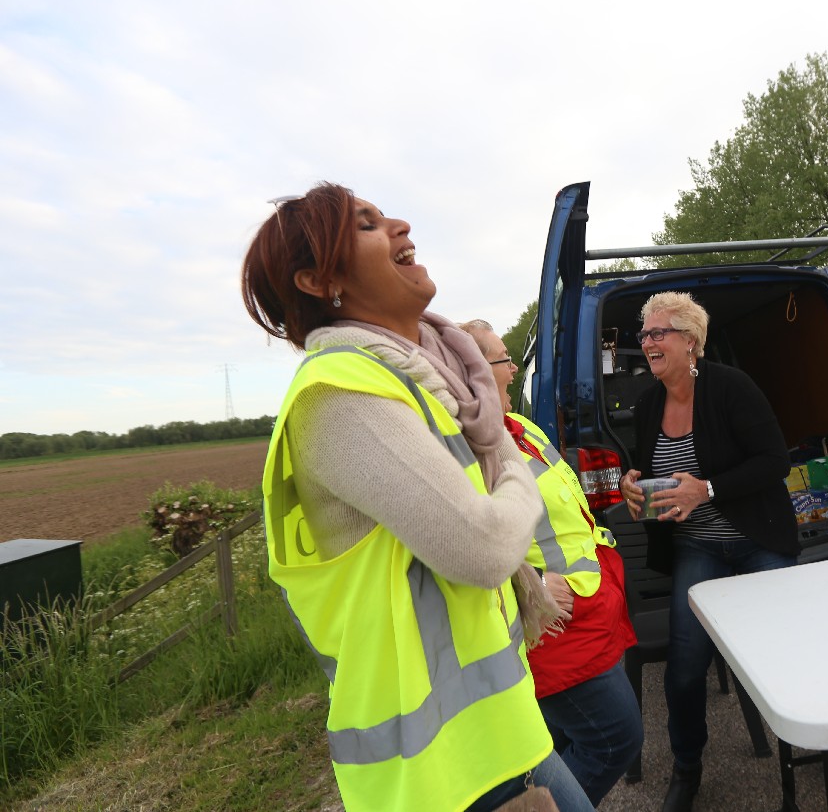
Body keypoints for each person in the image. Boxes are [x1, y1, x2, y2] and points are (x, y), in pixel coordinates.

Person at [240, 183, 593, 812]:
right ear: (320, 281)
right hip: (445, 769)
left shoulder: (423, 380)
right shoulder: (341, 394)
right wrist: (507, 454)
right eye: (367, 225)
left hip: (496, 732)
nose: (400, 225)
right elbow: (484, 547)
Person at [616, 292, 798, 812]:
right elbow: (650, 471)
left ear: (691, 342)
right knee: (685, 665)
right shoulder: (647, 403)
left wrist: (709, 489)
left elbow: (775, 461)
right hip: (697, 546)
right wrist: (634, 486)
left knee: (788, 651)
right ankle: (687, 767)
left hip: (756, 538)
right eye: (645, 334)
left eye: (658, 333)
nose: (647, 342)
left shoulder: (731, 387)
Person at [461, 319, 642, 806]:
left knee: (564, 744)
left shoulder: (518, 428)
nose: (513, 369)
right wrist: (534, 581)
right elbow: (466, 543)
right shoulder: (466, 448)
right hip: (552, 629)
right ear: (474, 370)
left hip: (587, 611)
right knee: (615, 739)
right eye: (503, 358)